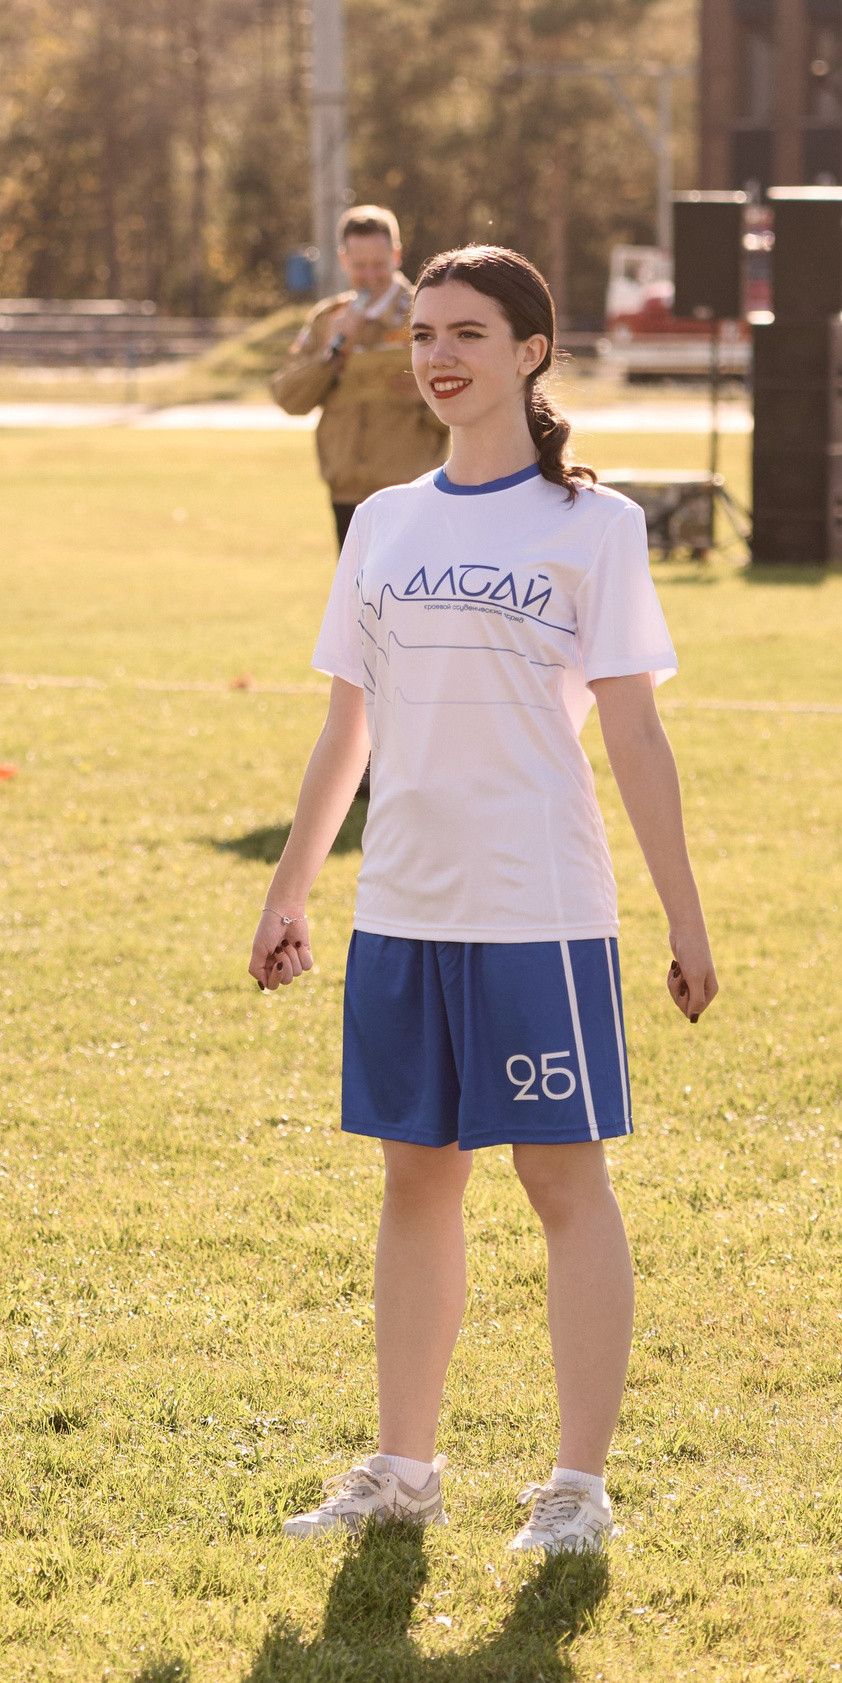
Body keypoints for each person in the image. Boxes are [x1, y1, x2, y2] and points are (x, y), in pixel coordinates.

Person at [251, 245, 717, 1556]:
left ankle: (577, 1489)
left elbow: (634, 740)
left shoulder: (595, 526)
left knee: (563, 1181)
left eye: (468, 330)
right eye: (422, 333)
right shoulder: (388, 522)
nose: (439, 352)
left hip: (539, 908)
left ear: (531, 352)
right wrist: (292, 891)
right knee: (415, 1179)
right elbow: (347, 731)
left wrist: (683, 916)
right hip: (403, 902)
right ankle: (402, 1469)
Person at [272, 205, 449, 549]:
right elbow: (289, 399)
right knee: (354, 601)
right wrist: (330, 355)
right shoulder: (327, 320)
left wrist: (427, 395)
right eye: (359, 266)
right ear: (343, 261)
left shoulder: (430, 312)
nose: (369, 276)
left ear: (396, 255)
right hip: (346, 495)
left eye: (379, 265)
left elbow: (472, 409)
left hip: (411, 492)